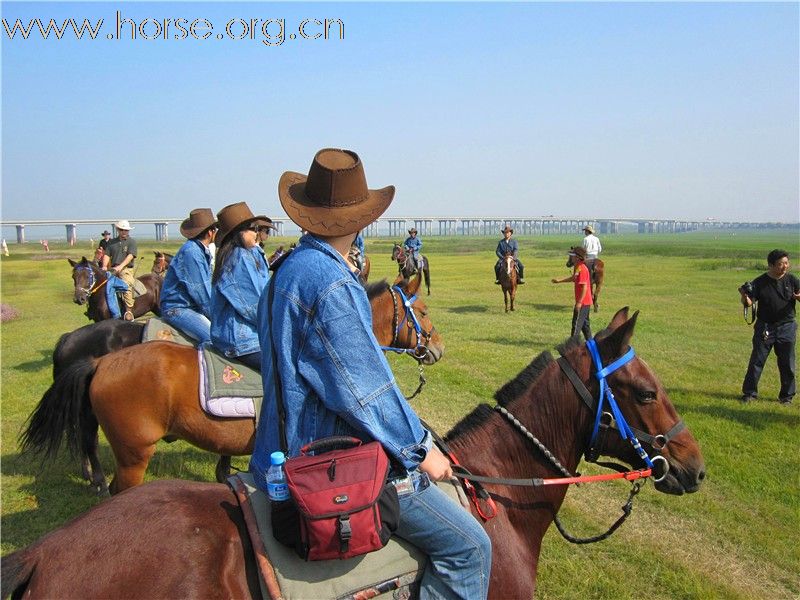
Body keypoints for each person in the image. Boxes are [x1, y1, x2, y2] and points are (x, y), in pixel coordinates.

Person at [249, 148, 491, 599]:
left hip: (273, 454)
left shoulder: (285, 268)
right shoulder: (333, 283)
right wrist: (422, 450)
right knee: (472, 548)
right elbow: (365, 393)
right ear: (361, 220)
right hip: (325, 462)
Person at [210, 202, 272, 370]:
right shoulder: (240, 257)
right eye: (252, 228)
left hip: (246, 335)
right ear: (240, 232)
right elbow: (254, 306)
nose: (256, 233)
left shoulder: (242, 254)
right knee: (289, 373)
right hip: (244, 340)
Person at [740, 249, 800, 405]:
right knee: (757, 361)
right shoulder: (760, 282)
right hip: (765, 326)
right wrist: (744, 296)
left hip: (787, 326)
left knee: (787, 363)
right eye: (781, 264)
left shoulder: (792, 280)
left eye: (786, 263)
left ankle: (786, 397)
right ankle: (749, 394)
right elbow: (749, 303)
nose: (785, 267)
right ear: (771, 265)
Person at [160, 208, 218, 344]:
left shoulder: (199, 250)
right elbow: (202, 294)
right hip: (179, 308)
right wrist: (218, 318)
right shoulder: (192, 253)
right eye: (215, 229)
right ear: (210, 232)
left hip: (189, 307)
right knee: (215, 339)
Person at [551, 246, 592, 340]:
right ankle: (592, 345)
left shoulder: (582, 268)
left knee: (576, 325)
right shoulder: (577, 267)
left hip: (584, 302)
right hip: (584, 302)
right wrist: (559, 281)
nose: (571, 257)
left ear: (577, 257)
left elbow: (584, 287)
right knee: (585, 326)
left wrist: (579, 302)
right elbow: (574, 278)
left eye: (572, 256)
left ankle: (572, 347)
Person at [102, 220, 138, 321]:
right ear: (118, 230)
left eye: (126, 230)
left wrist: (120, 266)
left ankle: (128, 311)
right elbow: (107, 255)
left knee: (126, 285)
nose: (124, 232)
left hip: (125, 269)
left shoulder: (132, 242)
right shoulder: (111, 243)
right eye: (122, 230)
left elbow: (130, 256)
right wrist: (104, 266)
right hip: (112, 269)